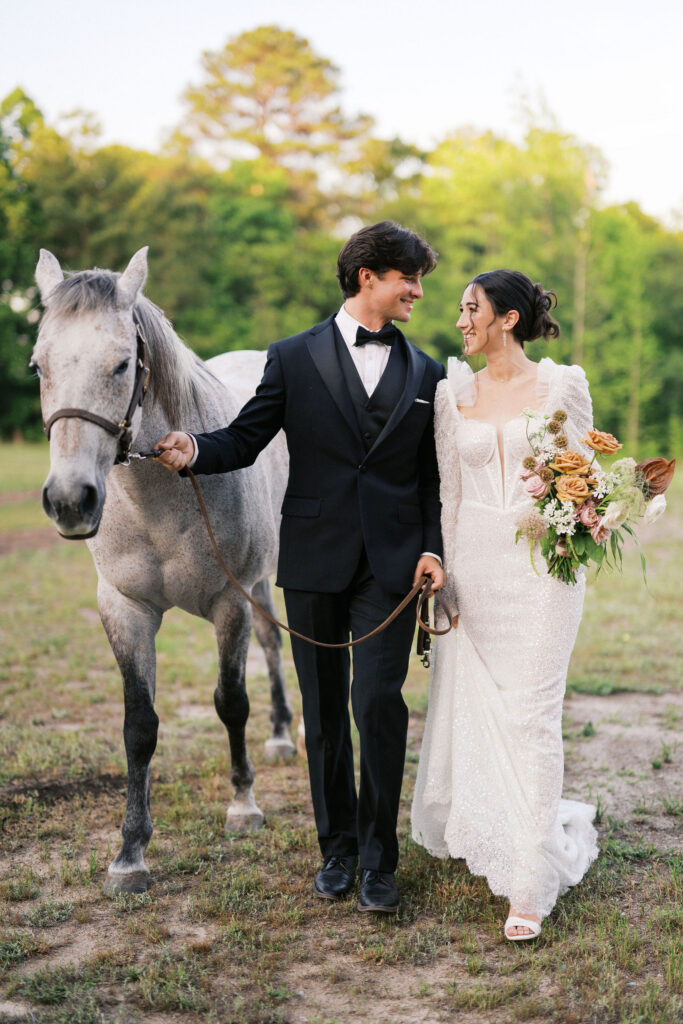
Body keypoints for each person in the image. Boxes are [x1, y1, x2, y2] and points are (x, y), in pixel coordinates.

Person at [155, 221, 446, 913]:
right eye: (409, 277)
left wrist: (433, 547)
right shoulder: (289, 358)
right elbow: (246, 438)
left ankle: (380, 861)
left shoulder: (428, 372)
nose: (418, 291)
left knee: (376, 705)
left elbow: (433, 479)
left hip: (393, 568)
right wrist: (194, 449)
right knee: (320, 714)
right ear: (367, 276)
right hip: (311, 559)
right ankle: (337, 852)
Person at [411, 269, 598, 941]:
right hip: (475, 569)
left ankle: (529, 882)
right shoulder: (447, 394)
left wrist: (574, 513)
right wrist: (446, 574)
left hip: (544, 569)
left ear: (507, 318)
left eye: (471, 309)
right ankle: (510, 825)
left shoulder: (560, 385)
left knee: (532, 713)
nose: (460, 321)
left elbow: (589, 477)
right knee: (485, 705)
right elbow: (448, 497)